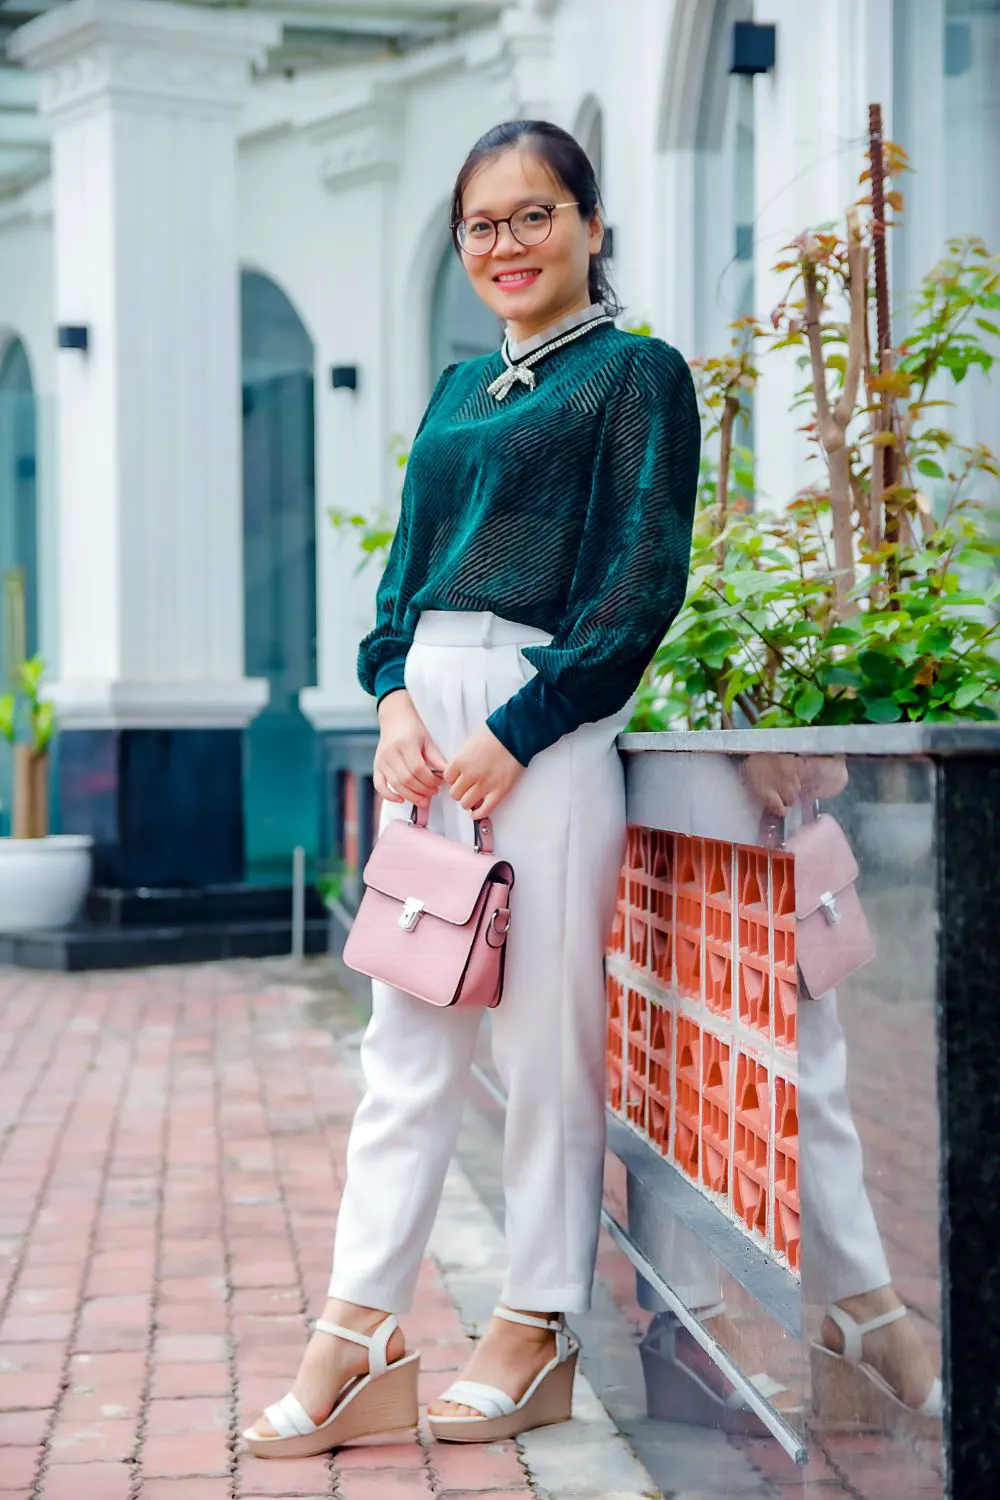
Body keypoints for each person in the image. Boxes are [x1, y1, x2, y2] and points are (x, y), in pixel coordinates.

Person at [243, 118, 701, 1458]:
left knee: (545, 1047)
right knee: (406, 1046)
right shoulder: (457, 394)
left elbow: (640, 583)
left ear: (590, 224)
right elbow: (399, 588)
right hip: (426, 741)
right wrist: (390, 700)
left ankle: (540, 1320)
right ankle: (360, 1330)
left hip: (543, 729)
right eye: (482, 224)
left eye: (533, 214)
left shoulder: (636, 376)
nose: (506, 243)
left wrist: (525, 722)